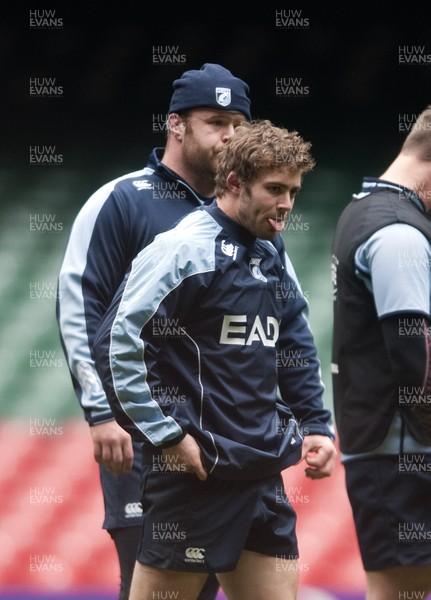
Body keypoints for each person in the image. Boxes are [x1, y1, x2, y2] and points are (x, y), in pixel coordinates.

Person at [93, 119, 338, 600]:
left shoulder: (271, 252)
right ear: (233, 183)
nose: (287, 204)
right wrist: (166, 434)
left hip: (261, 471)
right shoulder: (183, 249)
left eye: (293, 190)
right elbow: (119, 344)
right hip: (195, 478)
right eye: (274, 189)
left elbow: (292, 342)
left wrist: (314, 423)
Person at [56, 62, 252, 600]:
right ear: (176, 125)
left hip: (222, 443)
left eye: (240, 122)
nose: (231, 135)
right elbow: (79, 306)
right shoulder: (120, 200)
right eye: (216, 121)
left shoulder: (243, 215)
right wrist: (100, 412)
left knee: (207, 587)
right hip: (142, 439)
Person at [331, 106, 431, 599]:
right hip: (403, 453)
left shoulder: (363, 211)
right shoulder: (398, 231)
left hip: (392, 449)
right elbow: (417, 358)